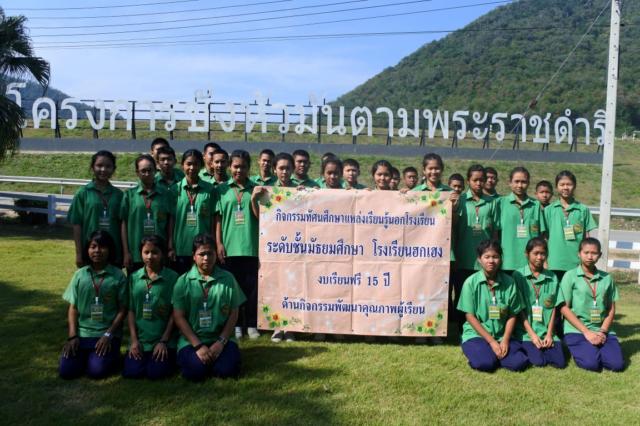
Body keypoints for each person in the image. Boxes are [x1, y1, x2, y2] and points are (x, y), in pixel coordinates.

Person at [172, 234, 246, 381]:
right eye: (202, 254)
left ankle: (216, 360)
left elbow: (234, 313)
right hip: (192, 341)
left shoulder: (228, 278)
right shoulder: (183, 281)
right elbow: (178, 317)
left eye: (210, 253)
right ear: (193, 256)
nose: (206, 258)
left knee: (226, 371)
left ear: (216, 255)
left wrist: (220, 343)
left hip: (221, 339)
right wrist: (198, 346)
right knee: (195, 372)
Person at [59, 231, 127, 379]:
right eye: (93, 246)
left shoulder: (118, 276)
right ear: (87, 250)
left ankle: (108, 355)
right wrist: (72, 336)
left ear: (110, 250)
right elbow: (73, 308)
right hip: (82, 334)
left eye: (102, 247)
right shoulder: (79, 275)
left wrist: (108, 334)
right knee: (66, 371)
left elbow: (123, 310)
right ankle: (88, 356)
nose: (97, 250)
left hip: (106, 334)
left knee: (96, 371)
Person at [457, 240, 528, 372]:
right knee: (486, 363)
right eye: (487, 257)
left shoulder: (510, 282)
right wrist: (492, 342)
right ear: (479, 259)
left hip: (501, 334)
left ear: (500, 259)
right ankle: (481, 350)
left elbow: (513, 314)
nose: (491, 261)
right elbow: (469, 316)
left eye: (495, 257)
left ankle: (494, 353)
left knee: (519, 363)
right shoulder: (470, 283)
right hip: (477, 334)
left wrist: (505, 339)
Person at [557, 238, 624, 372]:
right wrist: (587, 332)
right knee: (591, 364)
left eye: (594, 253)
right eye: (586, 252)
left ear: (600, 255)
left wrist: (602, 331)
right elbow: (564, 308)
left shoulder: (607, 278)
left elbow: (611, 309)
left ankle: (595, 347)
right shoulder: (570, 276)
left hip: (601, 329)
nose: (590, 256)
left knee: (617, 365)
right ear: (579, 254)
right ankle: (575, 346)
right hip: (577, 330)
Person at [215, 150, 262, 340]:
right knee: (232, 289)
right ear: (229, 167)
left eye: (243, 167)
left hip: (251, 247)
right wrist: (219, 243)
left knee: (252, 289)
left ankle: (251, 324)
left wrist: (254, 199)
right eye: (235, 166)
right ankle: (234, 325)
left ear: (249, 168)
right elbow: (218, 219)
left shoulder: (256, 189)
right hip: (229, 247)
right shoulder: (222, 190)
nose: (239, 170)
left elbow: (261, 218)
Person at [123, 235, 179, 379]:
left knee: (156, 373)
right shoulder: (133, 278)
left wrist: (163, 341)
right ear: (140, 253)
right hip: (141, 340)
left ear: (163, 254)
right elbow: (131, 310)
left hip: (163, 339)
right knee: (132, 373)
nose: (150, 256)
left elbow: (175, 313)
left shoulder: (173, 278)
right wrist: (134, 340)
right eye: (146, 252)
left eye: (155, 252)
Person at [512, 237, 566, 368]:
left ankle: (545, 343)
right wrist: (532, 335)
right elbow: (519, 310)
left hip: (546, 330)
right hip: (526, 332)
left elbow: (554, 308)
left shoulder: (552, 277)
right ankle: (523, 346)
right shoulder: (517, 275)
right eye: (535, 253)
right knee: (539, 361)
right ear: (527, 254)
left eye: (543, 253)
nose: (540, 257)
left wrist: (549, 334)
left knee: (560, 362)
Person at [68, 150, 124, 268]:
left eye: (108, 166)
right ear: (92, 167)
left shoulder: (119, 195)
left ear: (114, 169)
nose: (103, 169)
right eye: (99, 165)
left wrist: (125, 253)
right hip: (90, 251)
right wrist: (79, 253)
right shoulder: (83, 193)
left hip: (113, 252)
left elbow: (123, 226)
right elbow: (77, 225)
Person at [121, 154, 175, 273]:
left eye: (150, 170)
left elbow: (170, 220)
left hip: (159, 252)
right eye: (143, 171)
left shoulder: (166, 194)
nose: (147, 174)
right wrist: (126, 252)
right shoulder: (129, 195)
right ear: (137, 172)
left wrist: (170, 246)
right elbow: (124, 223)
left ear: (155, 170)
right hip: (136, 253)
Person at [544, 171, 597, 282]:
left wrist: (586, 259)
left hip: (576, 263)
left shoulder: (583, 209)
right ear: (556, 187)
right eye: (562, 184)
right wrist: (544, 261)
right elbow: (544, 238)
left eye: (569, 184)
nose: (565, 187)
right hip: (554, 262)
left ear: (575, 186)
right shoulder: (548, 210)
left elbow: (587, 238)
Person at [171, 149, 217, 275]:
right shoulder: (174, 190)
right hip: (181, 247)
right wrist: (170, 245)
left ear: (201, 166)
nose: (192, 167)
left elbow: (214, 220)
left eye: (196, 164)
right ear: (182, 165)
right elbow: (171, 219)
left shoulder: (210, 190)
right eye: (188, 164)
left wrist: (214, 245)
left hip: (203, 250)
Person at [495, 167, 546, 272]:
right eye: (516, 181)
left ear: (528, 183)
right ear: (510, 183)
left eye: (523, 182)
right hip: (507, 261)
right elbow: (495, 234)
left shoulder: (535, 205)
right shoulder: (500, 203)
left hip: (531, 263)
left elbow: (541, 236)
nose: (520, 185)